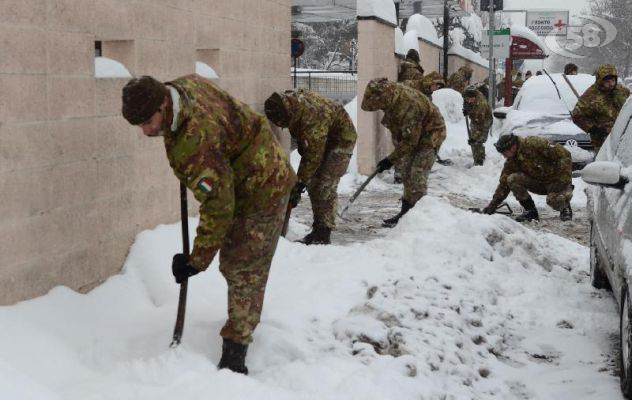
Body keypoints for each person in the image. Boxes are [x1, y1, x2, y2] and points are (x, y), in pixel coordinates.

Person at [121, 75, 296, 375]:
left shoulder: (193, 143)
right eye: (139, 125)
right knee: (236, 260)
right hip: (245, 168)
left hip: (264, 185)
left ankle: (235, 356)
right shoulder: (181, 86)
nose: (146, 131)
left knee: (243, 265)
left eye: (149, 122)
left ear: (163, 103)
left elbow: (219, 205)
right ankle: (243, 316)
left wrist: (195, 261)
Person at [263, 89, 357, 245]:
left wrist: (299, 183)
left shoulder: (312, 116)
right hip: (323, 138)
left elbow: (313, 155)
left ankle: (323, 233)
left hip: (341, 141)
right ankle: (319, 226)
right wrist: (301, 181)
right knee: (314, 184)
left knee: (324, 185)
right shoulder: (291, 103)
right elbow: (309, 148)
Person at [361, 78, 446, 227]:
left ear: (384, 98)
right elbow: (401, 134)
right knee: (406, 173)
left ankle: (419, 221)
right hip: (413, 134)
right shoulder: (392, 96)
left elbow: (410, 141)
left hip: (430, 134)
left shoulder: (409, 105)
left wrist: (390, 160)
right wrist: (396, 156)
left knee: (417, 175)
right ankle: (406, 214)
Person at [482, 134, 573, 222]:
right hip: (539, 184)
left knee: (554, 200)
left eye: (505, 153)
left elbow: (564, 155)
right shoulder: (512, 161)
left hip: (556, 181)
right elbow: (503, 185)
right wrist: (492, 206)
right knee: (512, 179)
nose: (504, 156)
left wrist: (564, 180)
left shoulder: (534, 143)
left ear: (513, 147)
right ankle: (531, 212)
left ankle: (564, 206)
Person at [571, 64, 631, 153]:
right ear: (600, 80)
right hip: (603, 142)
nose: (611, 84)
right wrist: (594, 129)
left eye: (613, 80)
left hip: (624, 139)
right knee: (604, 166)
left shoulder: (622, 91)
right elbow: (577, 115)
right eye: (607, 81)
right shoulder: (591, 95)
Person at [463, 86, 492, 166]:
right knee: (474, 138)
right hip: (475, 118)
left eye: (471, 99)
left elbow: (480, 126)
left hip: (485, 120)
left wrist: (474, 138)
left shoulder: (481, 105)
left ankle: (479, 160)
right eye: (468, 99)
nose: (469, 101)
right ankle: (479, 155)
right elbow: (465, 103)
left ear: (475, 97)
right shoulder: (466, 95)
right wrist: (466, 109)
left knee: (478, 140)